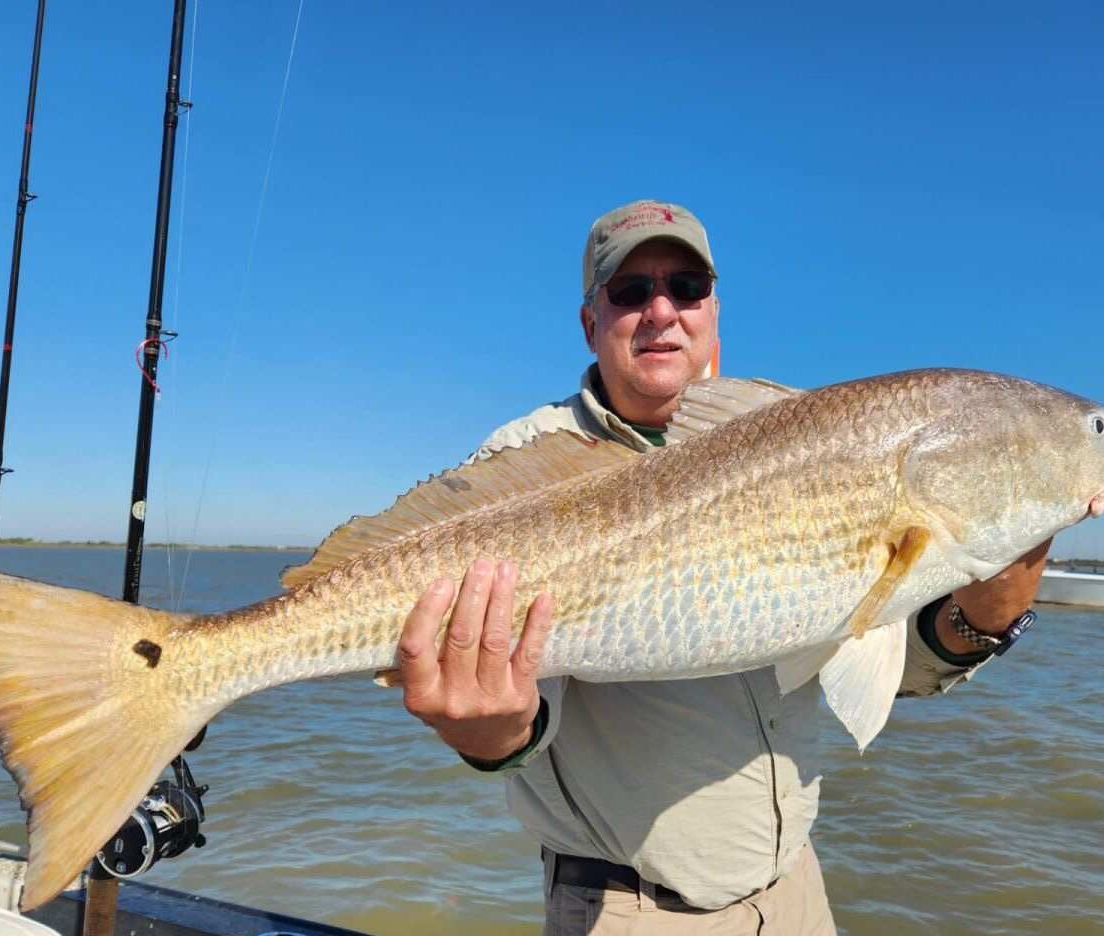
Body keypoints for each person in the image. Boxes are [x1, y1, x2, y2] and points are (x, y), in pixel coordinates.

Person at [395, 200, 1050, 934]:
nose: (662, 311)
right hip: (635, 911)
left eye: (687, 286)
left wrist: (991, 606)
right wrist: (490, 734)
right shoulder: (530, 461)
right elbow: (520, 720)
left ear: (714, 311)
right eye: (631, 291)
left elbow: (888, 662)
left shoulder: (809, 435)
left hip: (797, 891)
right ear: (589, 322)